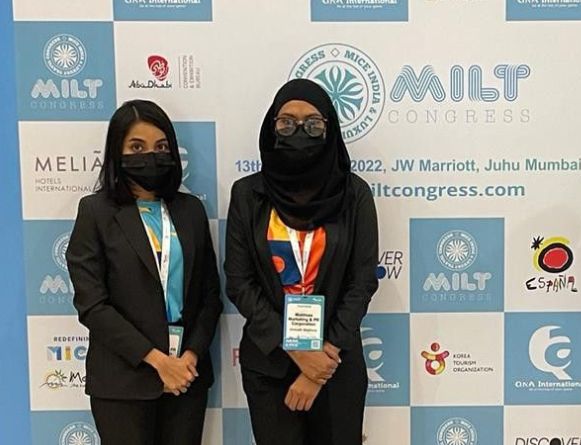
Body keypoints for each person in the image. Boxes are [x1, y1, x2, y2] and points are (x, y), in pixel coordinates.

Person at [225, 78, 379, 445]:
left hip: (334, 364)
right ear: (271, 127)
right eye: (286, 122)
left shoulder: (354, 194)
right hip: (270, 362)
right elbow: (239, 281)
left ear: (329, 129)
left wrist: (318, 366)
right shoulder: (247, 194)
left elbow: (362, 282)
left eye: (312, 123)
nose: (298, 131)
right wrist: (296, 349)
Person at [66, 99, 222, 445]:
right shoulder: (95, 212)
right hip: (123, 381)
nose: (150, 156)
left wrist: (189, 357)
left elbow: (210, 296)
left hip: (186, 377)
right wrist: (157, 362)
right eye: (137, 147)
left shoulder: (190, 210)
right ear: (117, 152)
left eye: (161, 147)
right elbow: (92, 305)